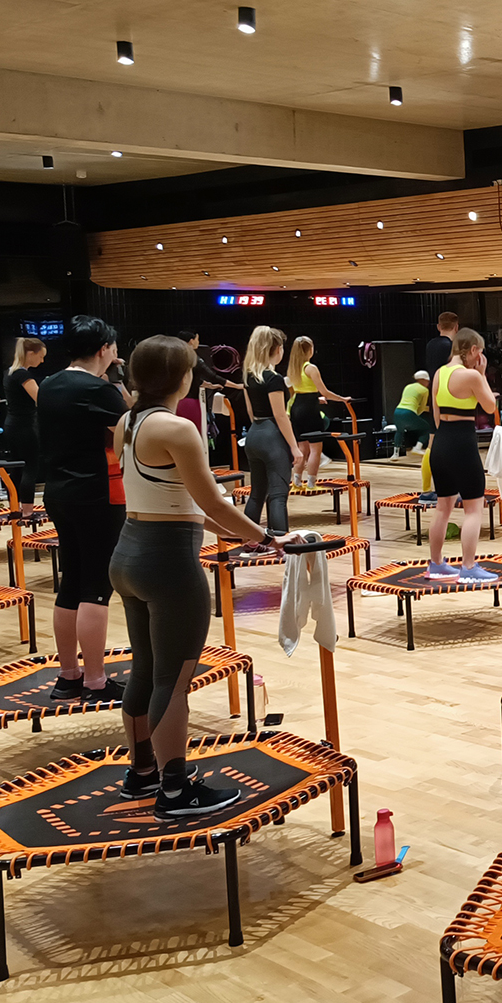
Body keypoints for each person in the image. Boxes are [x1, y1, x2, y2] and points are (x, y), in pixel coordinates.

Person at [110, 336, 292, 815]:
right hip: (168, 563)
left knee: (145, 670)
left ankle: (142, 774)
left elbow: (179, 502)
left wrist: (245, 534)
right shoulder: (178, 428)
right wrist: (267, 537)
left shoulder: (128, 422)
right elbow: (210, 501)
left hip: (128, 554)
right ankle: (175, 790)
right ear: (183, 377)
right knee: (173, 679)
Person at [38, 316, 129, 706]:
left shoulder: (49, 384)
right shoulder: (98, 389)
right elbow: (129, 428)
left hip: (58, 492)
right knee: (96, 586)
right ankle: (95, 680)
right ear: (104, 349)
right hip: (97, 492)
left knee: (71, 581)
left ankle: (68, 676)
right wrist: (118, 384)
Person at [427, 328, 499, 583]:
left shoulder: (440, 372)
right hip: (462, 443)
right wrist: (482, 375)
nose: (481, 358)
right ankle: (468, 567)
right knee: (474, 507)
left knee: (442, 507)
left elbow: (435, 413)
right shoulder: (471, 375)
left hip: (441, 442)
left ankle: (436, 564)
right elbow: (490, 406)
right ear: (472, 350)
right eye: (480, 353)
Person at [242, 326, 300, 539]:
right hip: (272, 437)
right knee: (278, 495)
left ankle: (249, 541)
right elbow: (280, 415)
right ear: (276, 349)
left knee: (256, 494)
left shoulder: (248, 376)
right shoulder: (274, 379)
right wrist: (294, 447)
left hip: (254, 435)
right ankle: (282, 545)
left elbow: (250, 412)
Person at [285, 336, 350, 486]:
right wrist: (342, 399)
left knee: (302, 448)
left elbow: (299, 392)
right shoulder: (310, 368)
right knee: (315, 449)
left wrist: (316, 399)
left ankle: (296, 482)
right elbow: (324, 392)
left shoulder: (293, 369)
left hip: (296, 408)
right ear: (310, 349)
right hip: (310, 410)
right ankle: (311, 483)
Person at [1, 337, 44, 518]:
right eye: (41, 356)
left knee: (17, 467)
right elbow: (40, 398)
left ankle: (16, 507)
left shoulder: (9, 373)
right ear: (30, 354)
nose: (42, 361)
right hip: (25, 426)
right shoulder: (23, 375)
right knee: (30, 467)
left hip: (11, 425)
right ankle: (27, 511)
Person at [390, 371, 433, 460]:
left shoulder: (408, 386)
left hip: (397, 411)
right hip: (409, 412)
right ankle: (417, 447)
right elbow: (422, 407)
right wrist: (416, 415)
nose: (428, 383)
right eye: (427, 381)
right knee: (427, 428)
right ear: (422, 380)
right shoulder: (424, 390)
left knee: (399, 431)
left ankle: (395, 454)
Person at [427, 311, 459, 379]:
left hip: (433, 382)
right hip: (448, 382)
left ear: (438, 327)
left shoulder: (430, 344)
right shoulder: (453, 347)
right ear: (456, 327)